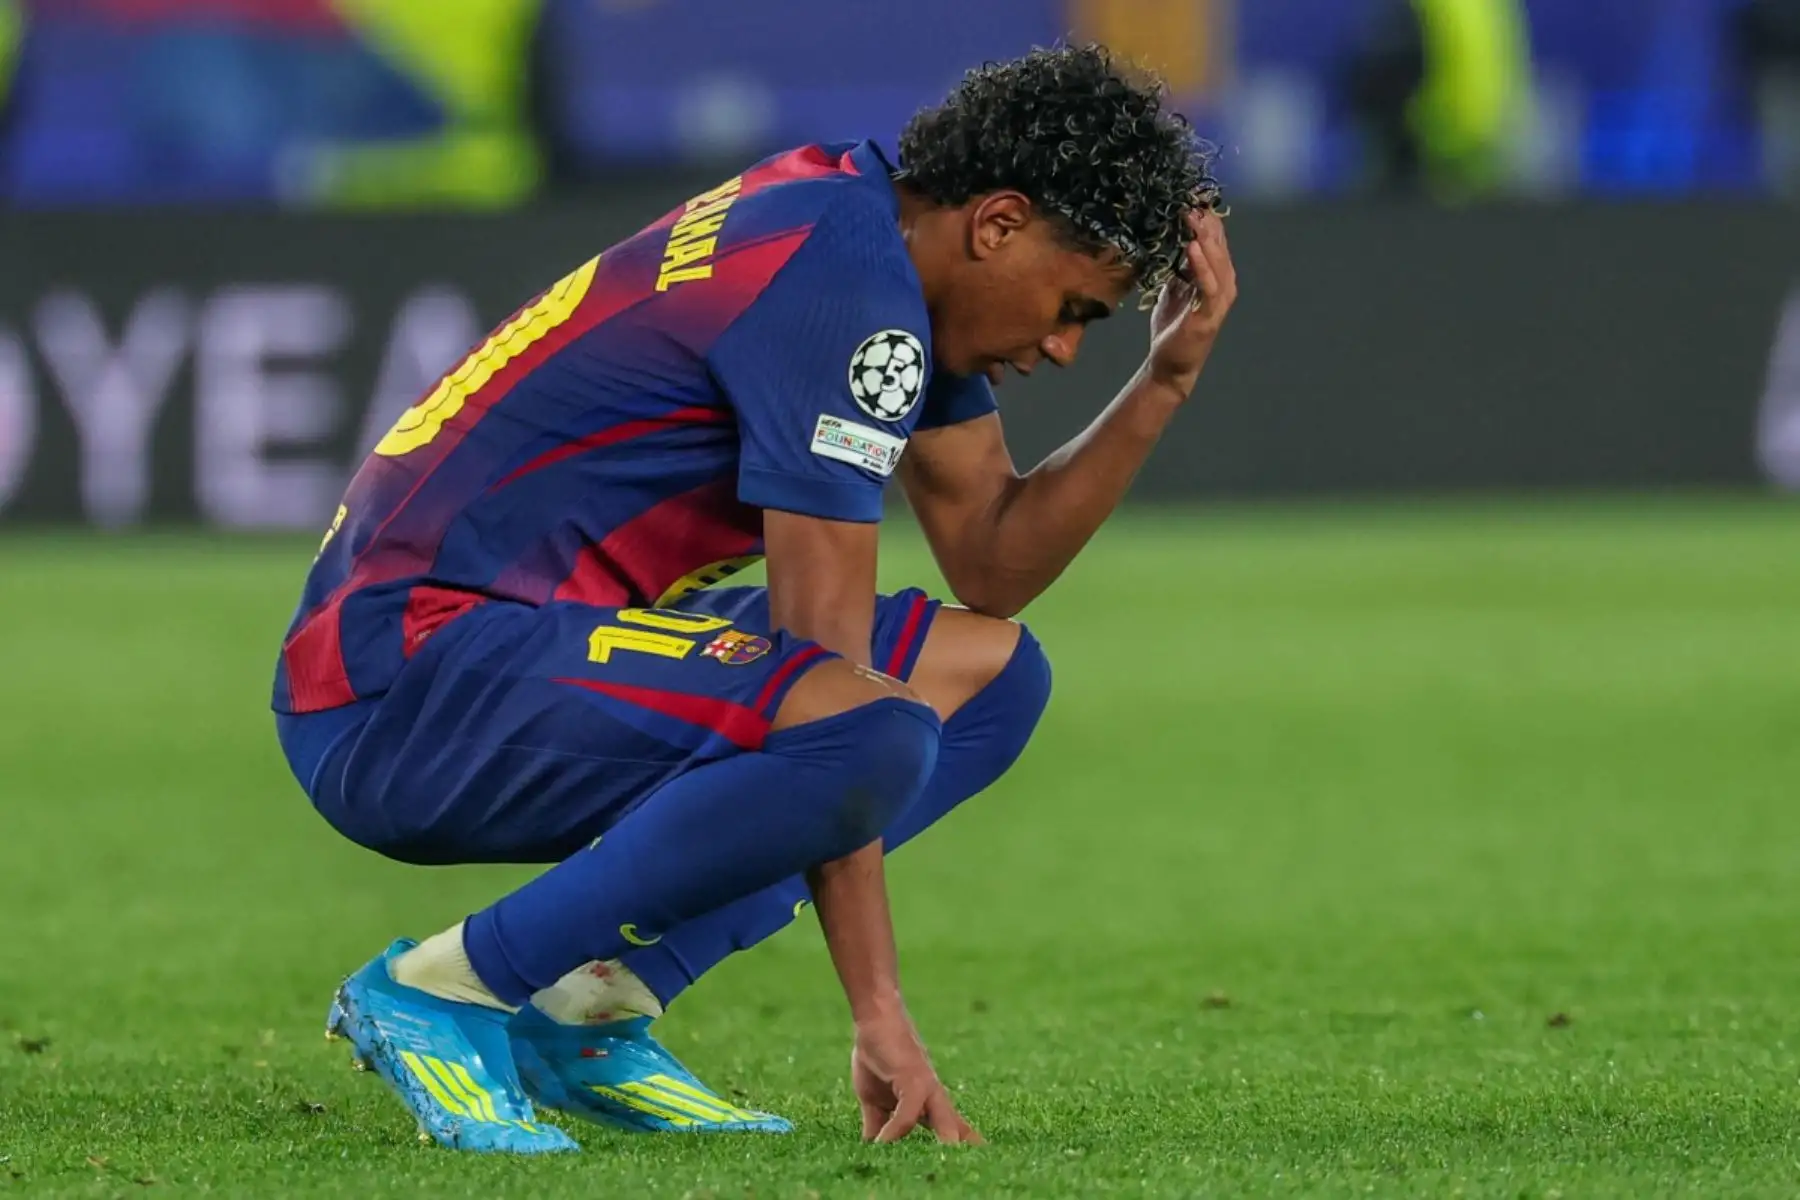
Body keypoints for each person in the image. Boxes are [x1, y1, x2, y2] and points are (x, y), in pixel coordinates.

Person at [273, 43, 1236, 1153]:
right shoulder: (845, 295)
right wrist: (880, 1013)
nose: (1066, 348)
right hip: (407, 682)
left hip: (490, 652)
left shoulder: (868, 235)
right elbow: (832, 692)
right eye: (1074, 307)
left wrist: (1164, 378)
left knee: (988, 676)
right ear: (999, 223)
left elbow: (993, 560)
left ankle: (589, 1009)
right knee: (865, 726)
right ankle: (443, 989)